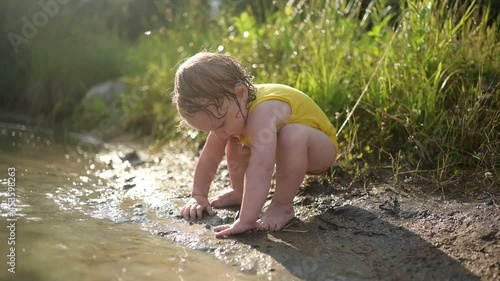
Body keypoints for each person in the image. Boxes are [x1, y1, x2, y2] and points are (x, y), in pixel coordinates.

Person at [172, 52, 338, 238]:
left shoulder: (262, 111)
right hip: (285, 151)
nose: (218, 134)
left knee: (292, 135)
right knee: (234, 137)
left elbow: (261, 167)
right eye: (211, 130)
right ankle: (239, 192)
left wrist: (246, 220)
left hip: (319, 150)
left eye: (220, 125)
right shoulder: (230, 111)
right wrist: (199, 195)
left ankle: (282, 206)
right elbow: (210, 156)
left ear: (241, 93)